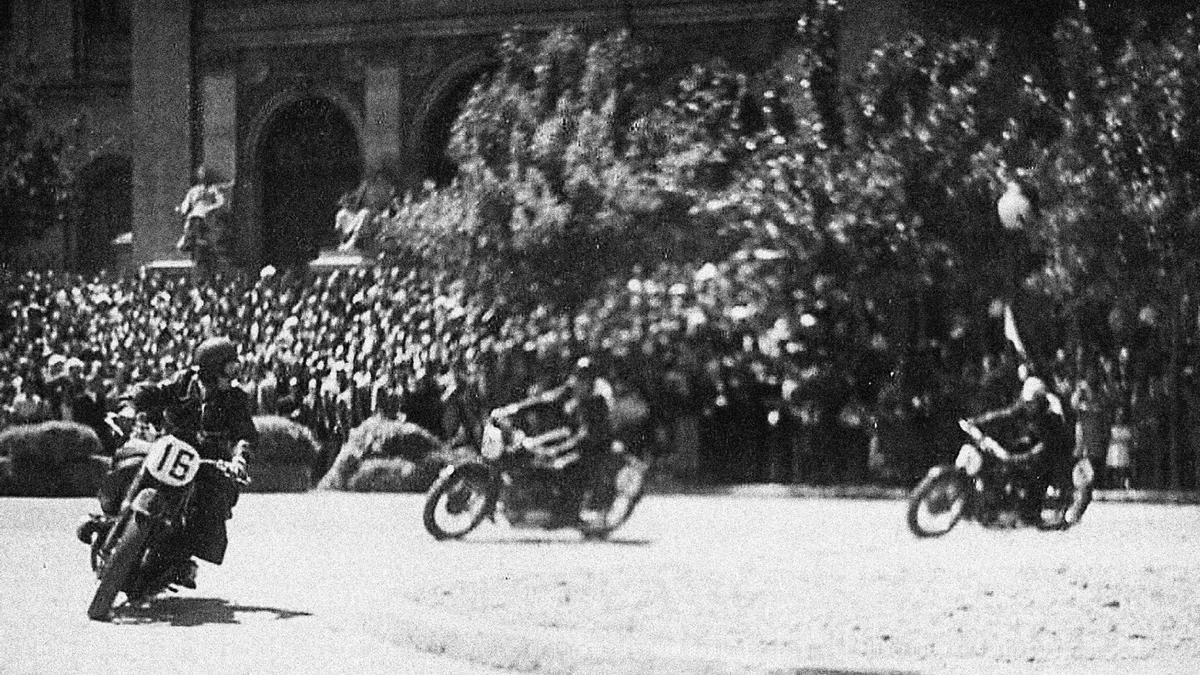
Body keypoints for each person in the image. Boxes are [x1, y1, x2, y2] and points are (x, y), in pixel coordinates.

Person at [127, 336, 255, 590]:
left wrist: (239, 458)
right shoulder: (183, 381)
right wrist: (131, 404)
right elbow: (154, 392)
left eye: (236, 369)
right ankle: (114, 510)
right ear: (210, 369)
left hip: (207, 461)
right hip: (171, 448)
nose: (233, 377)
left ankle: (180, 559)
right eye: (229, 369)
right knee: (130, 459)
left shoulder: (236, 399)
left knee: (213, 503)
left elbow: (245, 434)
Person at [491, 356, 615, 521]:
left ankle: (570, 514)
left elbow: (587, 437)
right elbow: (546, 401)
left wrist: (556, 450)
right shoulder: (572, 387)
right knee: (528, 449)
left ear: (591, 382)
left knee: (564, 468)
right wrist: (512, 410)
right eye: (578, 378)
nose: (579, 384)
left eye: (584, 380)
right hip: (570, 435)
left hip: (592, 447)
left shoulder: (598, 403)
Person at [969, 375, 1071, 525]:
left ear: (1041, 400)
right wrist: (979, 421)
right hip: (1034, 439)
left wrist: (1024, 457)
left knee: (1039, 471)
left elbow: (1045, 446)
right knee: (1007, 454)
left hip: (1054, 448)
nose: (1030, 406)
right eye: (1028, 402)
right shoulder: (1026, 403)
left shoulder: (1052, 416)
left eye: (1033, 403)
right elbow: (1006, 414)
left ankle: (1033, 511)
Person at [175, 166, 231, 270]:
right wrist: (182, 209)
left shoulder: (213, 190)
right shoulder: (194, 191)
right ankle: (188, 238)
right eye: (201, 174)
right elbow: (186, 203)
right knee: (194, 217)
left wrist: (210, 208)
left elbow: (220, 202)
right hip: (195, 215)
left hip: (209, 215)